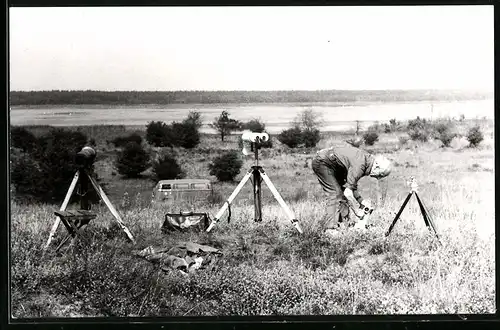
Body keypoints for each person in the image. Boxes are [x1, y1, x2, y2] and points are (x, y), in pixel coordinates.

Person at [311, 144, 392, 236]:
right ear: (377, 166)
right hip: (323, 162)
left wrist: (362, 201)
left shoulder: (365, 162)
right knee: (335, 194)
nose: (377, 178)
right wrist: (358, 212)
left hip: (334, 164)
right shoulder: (360, 165)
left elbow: (349, 186)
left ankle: (344, 225)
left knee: (341, 192)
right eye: (380, 175)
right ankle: (330, 230)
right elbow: (348, 193)